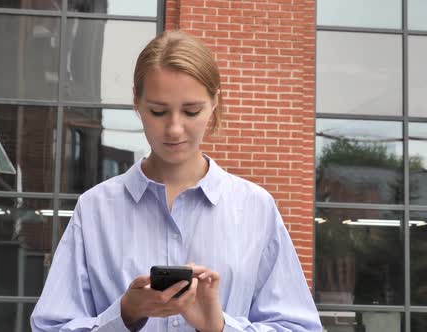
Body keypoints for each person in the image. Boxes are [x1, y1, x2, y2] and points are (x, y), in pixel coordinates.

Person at [30, 30, 322, 332]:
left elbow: (299, 328)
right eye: (158, 111)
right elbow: (51, 327)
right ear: (136, 102)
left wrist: (220, 327)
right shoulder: (95, 209)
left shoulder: (255, 208)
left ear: (214, 103)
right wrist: (125, 314)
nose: (174, 129)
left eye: (191, 111)